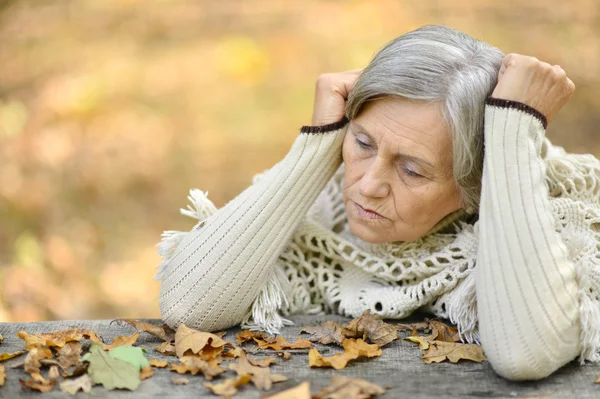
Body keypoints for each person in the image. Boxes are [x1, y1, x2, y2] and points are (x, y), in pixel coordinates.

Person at [153, 25, 600, 381]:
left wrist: (513, 128)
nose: (367, 186)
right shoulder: (321, 210)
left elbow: (526, 351)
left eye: (412, 170)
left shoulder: (560, 218)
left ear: (475, 188)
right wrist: (318, 147)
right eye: (363, 143)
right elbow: (189, 308)